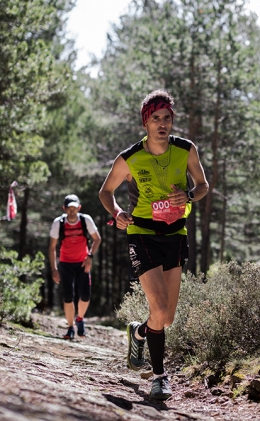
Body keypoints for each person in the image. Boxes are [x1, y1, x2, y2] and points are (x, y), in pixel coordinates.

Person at [98, 89, 209, 400]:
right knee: (158, 307)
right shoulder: (131, 158)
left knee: (166, 318)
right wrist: (117, 211)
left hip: (175, 235)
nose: (163, 124)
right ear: (145, 122)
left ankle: (140, 332)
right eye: (156, 119)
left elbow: (202, 186)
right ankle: (159, 377)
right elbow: (105, 192)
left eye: (167, 119)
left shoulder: (186, 150)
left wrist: (188, 195)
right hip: (143, 233)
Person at [49, 194, 101, 340]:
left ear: (79, 208)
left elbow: (97, 239)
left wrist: (90, 256)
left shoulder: (86, 220)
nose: (72, 211)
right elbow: (52, 247)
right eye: (69, 208)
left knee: (85, 295)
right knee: (68, 296)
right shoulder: (58, 223)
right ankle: (70, 328)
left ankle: (80, 318)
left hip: (83, 262)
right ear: (64, 209)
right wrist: (54, 269)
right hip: (65, 264)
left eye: (74, 208)